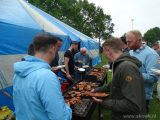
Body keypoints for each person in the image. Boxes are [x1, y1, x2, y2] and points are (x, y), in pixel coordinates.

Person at [13, 33, 72, 120]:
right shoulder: (47, 76)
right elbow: (61, 118)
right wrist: (67, 108)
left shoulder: (18, 73)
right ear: (53, 48)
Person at [92, 37, 146, 120]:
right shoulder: (120, 64)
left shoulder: (126, 67)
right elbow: (114, 84)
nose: (104, 55)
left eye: (103, 51)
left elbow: (133, 105)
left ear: (108, 50)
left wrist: (104, 102)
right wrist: (96, 90)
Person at [126, 30, 159, 113]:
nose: (127, 44)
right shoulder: (130, 52)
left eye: (130, 42)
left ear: (139, 40)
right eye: (126, 42)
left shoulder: (152, 54)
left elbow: (153, 78)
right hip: (129, 93)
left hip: (142, 96)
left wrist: (133, 73)